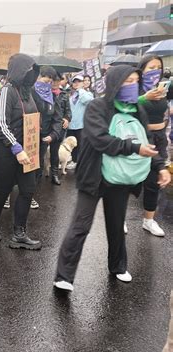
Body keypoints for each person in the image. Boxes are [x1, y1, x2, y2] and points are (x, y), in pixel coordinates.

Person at [54, 65, 170, 292]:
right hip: (94, 176)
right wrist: (134, 148)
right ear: (115, 83)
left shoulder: (137, 110)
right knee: (81, 225)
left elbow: (147, 141)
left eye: (135, 81)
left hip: (120, 177)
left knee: (116, 225)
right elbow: (100, 139)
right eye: (127, 81)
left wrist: (160, 166)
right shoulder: (98, 107)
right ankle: (64, 275)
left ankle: (118, 266)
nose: (131, 86)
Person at [0, 54, 42, 250]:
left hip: (26, 151)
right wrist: (16, 148)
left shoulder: (28, 92)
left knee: (27, 190)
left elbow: (34, 116)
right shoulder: (6, 92)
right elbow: (2, 124)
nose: (32, 75)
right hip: (5, 151)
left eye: (34, 72)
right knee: (3, 190)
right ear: (19, 71)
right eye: (28, 71)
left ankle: (19, 233)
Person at [137, 54, 173, 237]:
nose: (155, 71)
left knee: (154, 182)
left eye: (158, 67)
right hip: (139, 137)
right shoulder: (133, 87)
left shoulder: (164, 88)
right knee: (131, 181)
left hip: (159, 138)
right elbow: (123, 105)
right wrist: (144, 97)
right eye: (151, 67)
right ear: (142, 69)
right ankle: (117, 220)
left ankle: (149, 220)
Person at [32, 66, 63, 193]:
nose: (48, 84)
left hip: (44, 137)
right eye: (46, 81)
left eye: (50, 82)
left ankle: (32, 192)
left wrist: (53, 134)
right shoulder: (29, 92)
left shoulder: (53, 98)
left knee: (38, 165)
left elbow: (57, 119)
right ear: (38, 77)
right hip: (28, 136)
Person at [66, 74, 94, 169]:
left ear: (83, 83)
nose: (77, 83)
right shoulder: (69, 94)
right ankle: (73, 161)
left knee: (81, 145)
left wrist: (80, 90)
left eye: (79, 82)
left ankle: (81, 162)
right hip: (70, 125)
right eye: (75, 82)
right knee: (71, 144)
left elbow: (87, 100)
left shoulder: (87, 94)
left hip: (81, 125)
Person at [50, 73, 72, 183]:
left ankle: (54, 174)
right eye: (53, 80)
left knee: (55, 152)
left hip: (58, 128)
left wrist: (67, 119)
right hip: (46, 127)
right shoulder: (45, 93)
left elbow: (68, 111)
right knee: (41, 152)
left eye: (57, 81)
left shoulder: (64, 95)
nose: (55, 83)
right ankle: (38, 175)